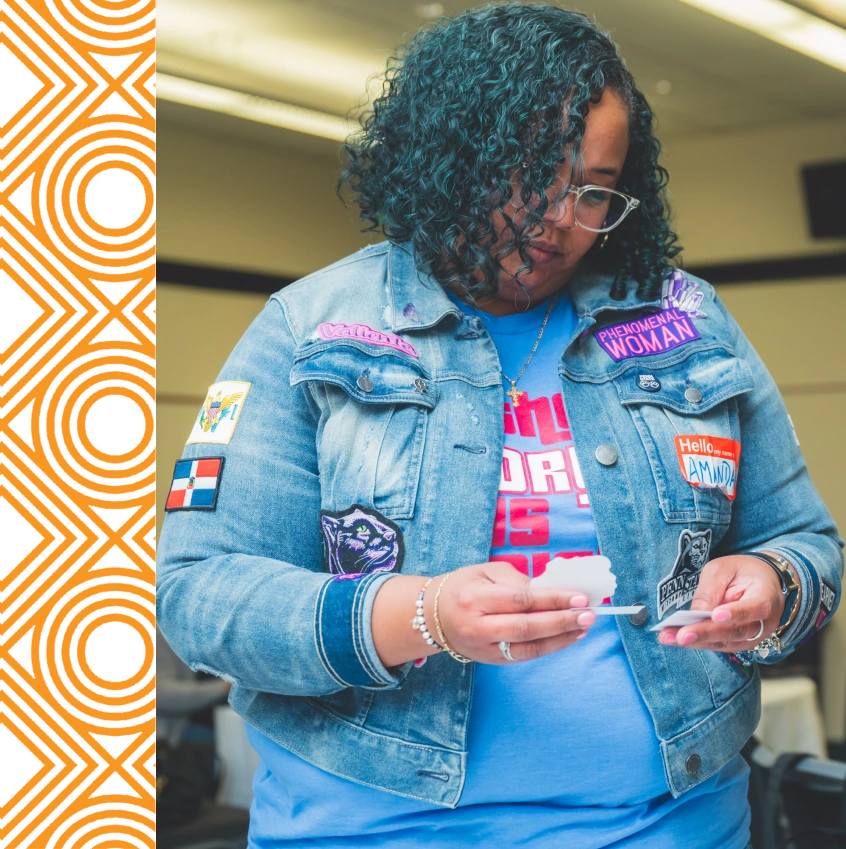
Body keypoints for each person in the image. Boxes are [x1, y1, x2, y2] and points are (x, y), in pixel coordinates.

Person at [156, 4, 843, 847]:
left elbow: (806, 541)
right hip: (378, 828)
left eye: (593, 191)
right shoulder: (308, 329)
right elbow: (199, 593)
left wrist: (774, 584)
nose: (559, 218)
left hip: (674, 824)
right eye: (529, 176)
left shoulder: (686, 320)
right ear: (449, 160)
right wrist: (421, 615)